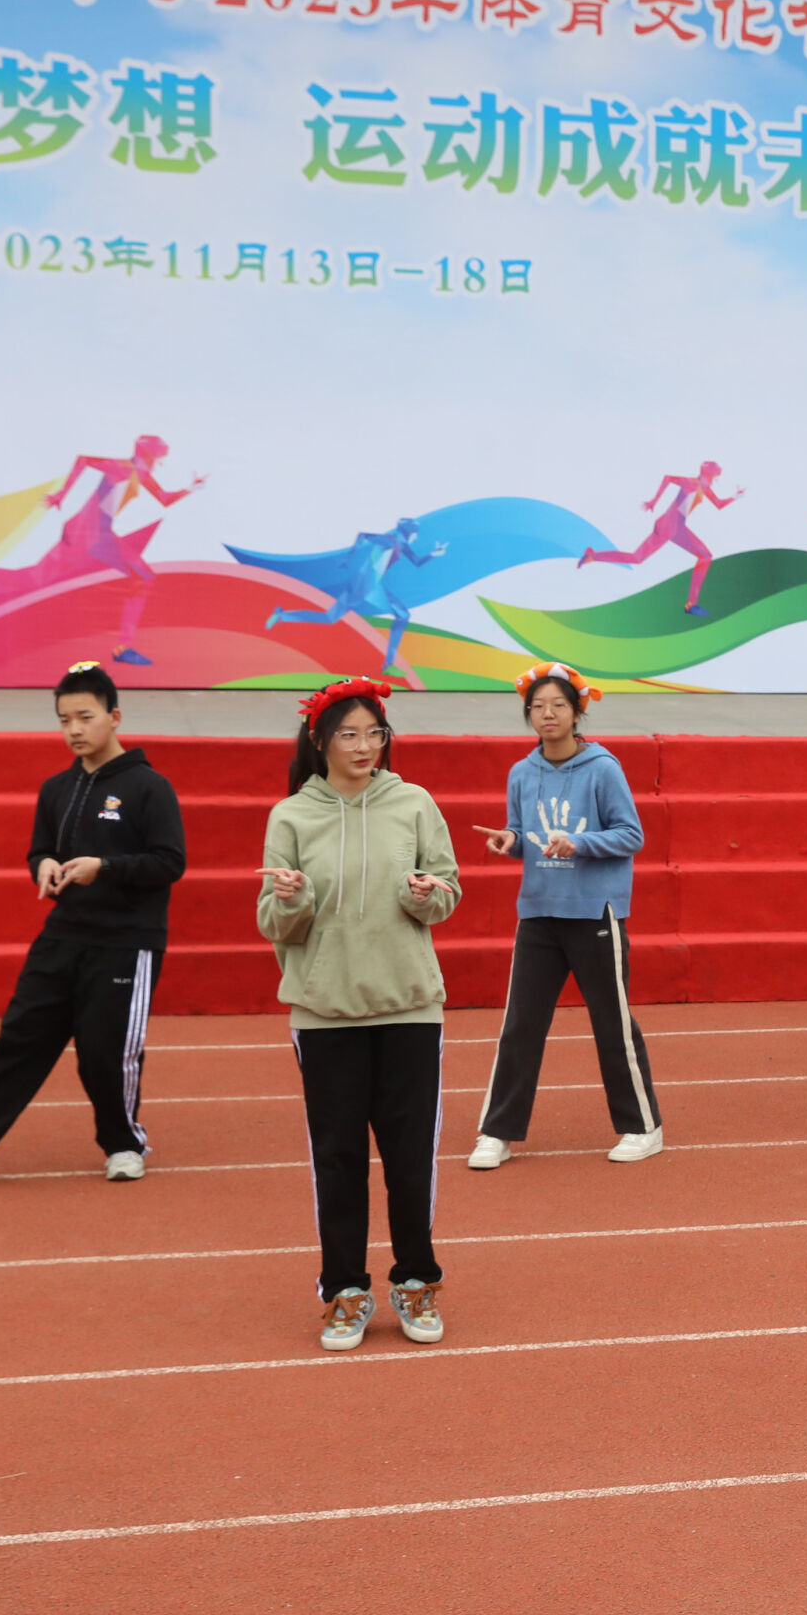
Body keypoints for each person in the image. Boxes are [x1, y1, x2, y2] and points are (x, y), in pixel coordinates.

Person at [0, 663, 185, 1193]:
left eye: (85, 716)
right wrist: (44, 866)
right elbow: (40, 850)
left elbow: (170, 862)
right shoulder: (57, 788)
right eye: (64, 719)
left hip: (126, 944)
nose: (74, 729)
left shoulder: (150, 787)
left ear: (114, 717)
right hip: (61, 936)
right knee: (16, 1045)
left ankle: (123, 1145)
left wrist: (105, 867)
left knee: (105, 1055)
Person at [258, 677, 462, 1352]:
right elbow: (274, 924)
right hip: (326, 1013)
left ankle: (416, 1281)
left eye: (375, 733)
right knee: (339, 1159)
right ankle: (345, 1291)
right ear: (320, 740)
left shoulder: (414, 803)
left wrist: (427, 893)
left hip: (409, 1007)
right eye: (349, 734)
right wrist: (292, 899)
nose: (364, 745)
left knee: (410, 1159)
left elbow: (447, 890)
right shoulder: (291, 817)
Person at [465, 663, 659, 1170]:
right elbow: (520, 831)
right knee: (520, 1026)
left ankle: (642, 1127)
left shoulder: (603, 768)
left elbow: (631, 835)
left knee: (612, 1024)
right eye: (537, 706)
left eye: (558, 705)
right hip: (538, 912)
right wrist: (509, 841)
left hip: (594, 913)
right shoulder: (521, 772)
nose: (547, 714)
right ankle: (497, 1132)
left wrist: (580, 842)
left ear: (577, 712)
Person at [0, 434, 202, 666]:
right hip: (87, 536)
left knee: (139, 577)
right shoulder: (121, 467)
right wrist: (61, 494)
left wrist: (191, 487)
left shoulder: (141, 474)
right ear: (149, 455)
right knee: (34, 580)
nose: (160, 461)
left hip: (97, 535)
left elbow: (165, 499)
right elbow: (83, 460)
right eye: (159, 456)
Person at [262, 516, 447, 673]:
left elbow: (416, 561)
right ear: (408, 532)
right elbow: (363, 536)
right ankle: (389, 664)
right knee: (403, 615)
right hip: (370, 586)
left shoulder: (402, 544)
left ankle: (282, 616)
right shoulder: (391, 540)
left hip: (360, 583)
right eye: (415, 533)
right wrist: (348, 558)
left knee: (330, 618)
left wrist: (434, 554)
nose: (417, 536)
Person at [580, 462, 743, 616]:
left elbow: (719, 504)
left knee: (705, 556)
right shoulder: (691, 483)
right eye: (714, 477)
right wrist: (654, 501)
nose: (715, 481)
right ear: (707, 475)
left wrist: (736, 496)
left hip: (678, 528)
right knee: (636, 558)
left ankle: (691, 604)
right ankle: (592, 556)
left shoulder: (704, 488)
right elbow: (668, 478)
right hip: (666, 527)